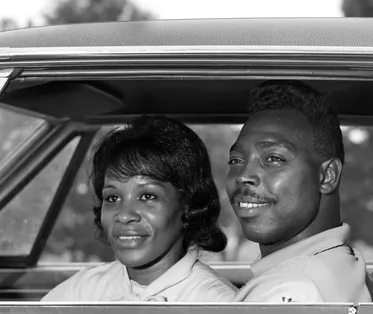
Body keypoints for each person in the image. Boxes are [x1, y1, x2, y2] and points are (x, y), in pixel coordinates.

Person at [43, 116, 240, 302]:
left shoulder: (217, 304)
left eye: (147, 196)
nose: (125, 215)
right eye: (113, 198)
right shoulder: (80, 291)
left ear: (187, 204)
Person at [226, 80, 373, 302]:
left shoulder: (290, 290)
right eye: (236, 160)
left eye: (273, 158)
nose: (242, 175)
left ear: (328, 176)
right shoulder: (342, 264)